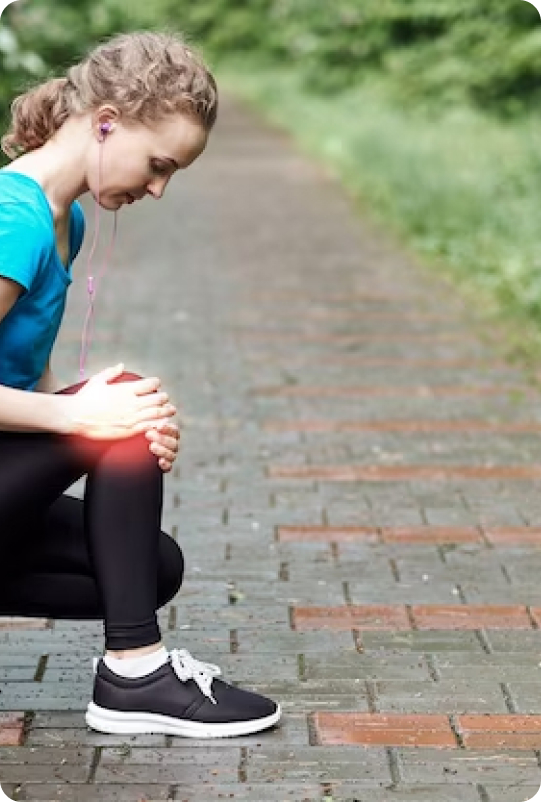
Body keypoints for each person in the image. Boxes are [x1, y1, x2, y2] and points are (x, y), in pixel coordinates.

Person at [0, 29, 280, 738]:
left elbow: (25, 372)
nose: (157, 189)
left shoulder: (68, 219)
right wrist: (84, 418)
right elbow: (61, 412)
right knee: (116, 403)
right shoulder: (15, 218)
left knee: (149, 566)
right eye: (159, 164)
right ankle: (134, 672)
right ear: (105, 122)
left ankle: (135, 660)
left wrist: (87, 407)